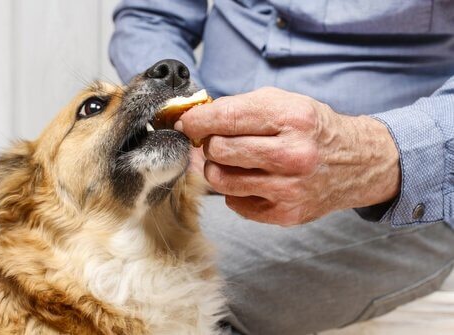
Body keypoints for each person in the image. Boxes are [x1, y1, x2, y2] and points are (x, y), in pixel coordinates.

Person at [108, 1, 454, 334]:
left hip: (390, 190)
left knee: (143, 278)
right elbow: (151, 15)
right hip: (196, 166)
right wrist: (183, 113)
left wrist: (374, 153)